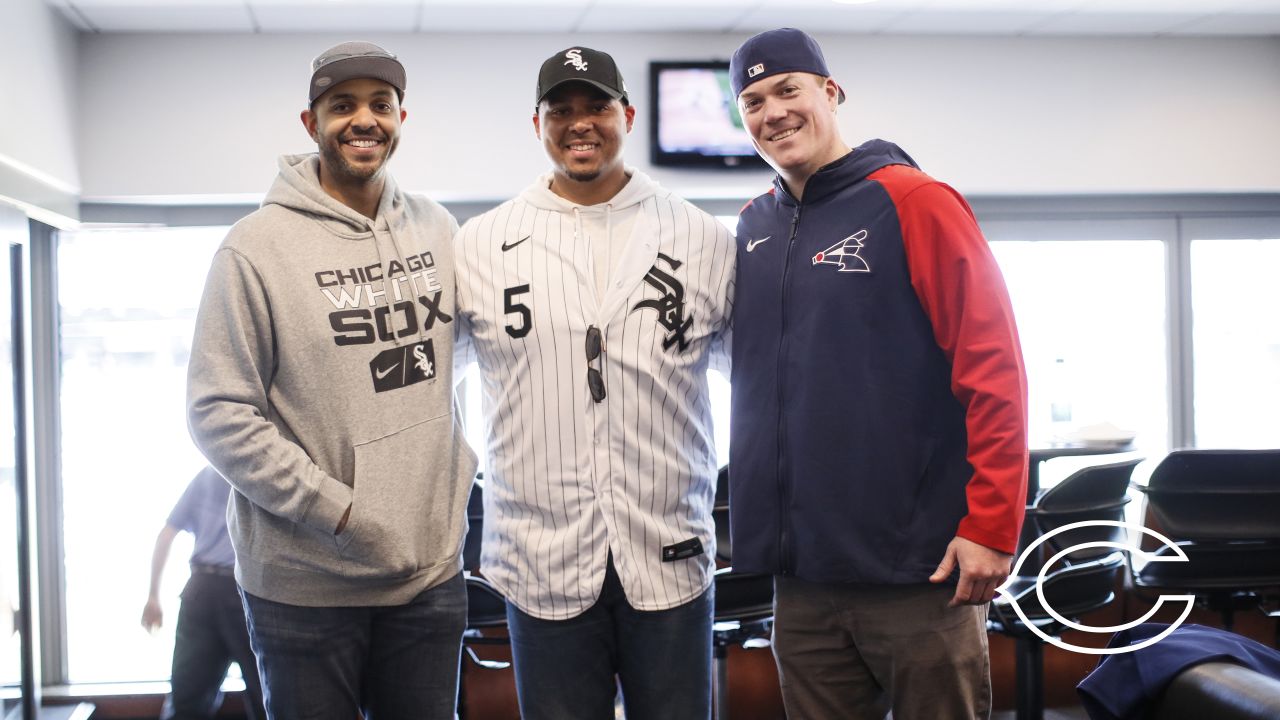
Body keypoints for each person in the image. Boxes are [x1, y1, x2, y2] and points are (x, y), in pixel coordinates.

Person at [726, 28, 1029, 720]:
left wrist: (991, 526)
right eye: (752, 101)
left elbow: (994, 370)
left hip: (918, 571)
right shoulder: (753, 226)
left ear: (830, 93)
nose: (772, 112)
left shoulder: (915, 200)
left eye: (787, 90)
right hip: (801, 579)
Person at [186, 41, 476, 720]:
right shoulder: (253, 249)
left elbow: (455, 360)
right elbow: (218, 411)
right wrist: (338, 511)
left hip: (429, 574)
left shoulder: (436, 227)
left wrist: (450, 479)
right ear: (310, 122)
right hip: (304, 587)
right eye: (342, 105)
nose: (363, 120)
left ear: (402, 117)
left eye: (381, 103)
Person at [453, 46, 735, 720]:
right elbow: (433, 387)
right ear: (538, 124)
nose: (580, 124)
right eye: (562, 110)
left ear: (627, 115)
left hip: (667, 548)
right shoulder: (482, 242)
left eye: (597, 107)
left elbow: (760, 377)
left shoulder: (702, 237)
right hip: (539, 553)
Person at [141, 466, 265, 720]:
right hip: (247, 591)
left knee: (187, 700)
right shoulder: (261, 470)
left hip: (202, 588)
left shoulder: (208, 475)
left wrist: (153, 596)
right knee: (267, 696)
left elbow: (166, 534)